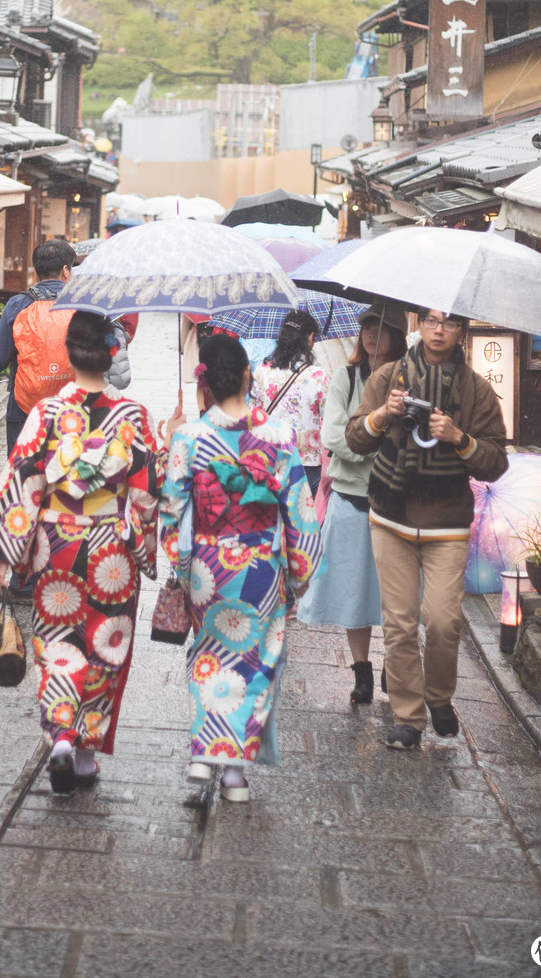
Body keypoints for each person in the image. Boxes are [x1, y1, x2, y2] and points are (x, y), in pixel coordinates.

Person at [0, 310, 177, 795]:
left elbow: (21, 479)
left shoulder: (45, 415)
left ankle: (61, 736)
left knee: (58, 643)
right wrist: (147, 541)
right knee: (106, 645)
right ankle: (85, 754)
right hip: (111, 545)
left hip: (56, 544)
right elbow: (149, 495)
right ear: (112, 354)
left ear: (68, 354)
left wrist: (8, 553)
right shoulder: (134, 417)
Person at [160, 333, 322, 802]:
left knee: (210, 657)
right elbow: (299, 510)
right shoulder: (278, 436)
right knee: (255, 665)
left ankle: (202, 754)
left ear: (204, 383)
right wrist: (298, 574)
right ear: (248, 376)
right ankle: (232, 773)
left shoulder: (190, 438)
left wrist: (183, 564)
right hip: (261, 570)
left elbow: (172, 513)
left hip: (208, 568)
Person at [347, 307, 508, 750]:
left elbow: (496, 462)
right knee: (399, 625)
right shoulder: (387, 376)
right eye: (432, 321)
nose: (439, 330)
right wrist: (382, 415)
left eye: (450, 323)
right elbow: (356, 438)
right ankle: (408, 716)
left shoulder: (476, 389)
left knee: (442, 621)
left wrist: (460, 438)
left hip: (446, 522)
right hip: (390, 515)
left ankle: (439, 697)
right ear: (418, 325)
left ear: (462, 331)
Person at [298, 303, 408, 704]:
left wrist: (362, 443)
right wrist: (368, 447)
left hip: (395, 503)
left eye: (381, 328)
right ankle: (361, 670)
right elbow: (331, 436)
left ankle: (392, 665)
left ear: (398, 336)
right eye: (366, 327)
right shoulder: (346, 377)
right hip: (351, 498)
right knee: (353, 590)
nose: (371, 335)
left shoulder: (409, 382)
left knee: (395, 595)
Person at [0, 239, 77, 454]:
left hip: (25, 408)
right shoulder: (82, 305)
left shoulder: (18, 304)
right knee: (68, 474)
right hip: (73, 408)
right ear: (66, 271)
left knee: (23, 474)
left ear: (37, 271)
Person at [250, 309, 329, 497]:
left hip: (268, 459)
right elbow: (329, 421)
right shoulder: (319, 377)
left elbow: (252, 417)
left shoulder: (261, 371)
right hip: (305, 465)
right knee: (300, 520)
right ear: (310, 338)